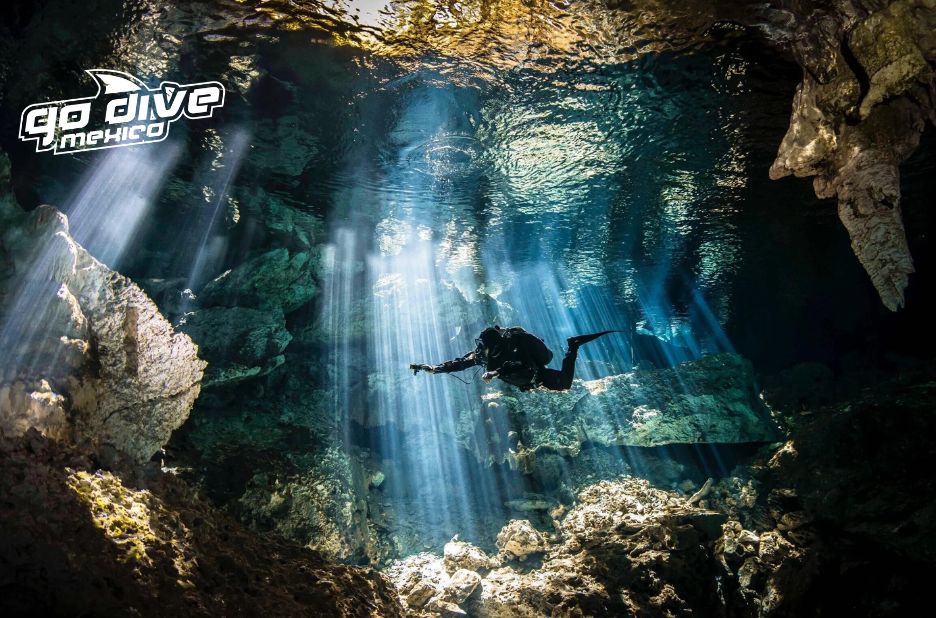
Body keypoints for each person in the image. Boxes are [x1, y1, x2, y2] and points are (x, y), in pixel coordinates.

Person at [409, 325, 619, 391]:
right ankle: (573, 346)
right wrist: (435, 368)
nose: (479, 350)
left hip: (534, 373)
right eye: (479, 346)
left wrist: (496, 372)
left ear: (494, 346)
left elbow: (521, 365)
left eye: (483, 346)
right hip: (527, 381)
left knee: (565, 384)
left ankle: (573, 346)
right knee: (563, 385)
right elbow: (460, 363)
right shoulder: (482, 355)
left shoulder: (513, 347)